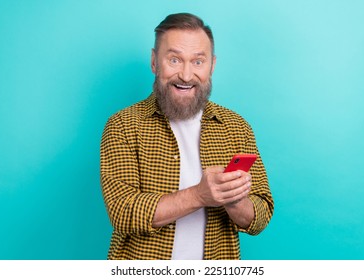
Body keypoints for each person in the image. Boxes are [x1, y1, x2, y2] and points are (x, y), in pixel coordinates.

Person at [100, 13, 274, 260]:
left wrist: (234, 201)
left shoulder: (236, 127)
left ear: (212, 66)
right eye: (174, 60)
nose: (186, 75)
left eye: (198, 62)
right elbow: (123, 211)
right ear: (154, 62)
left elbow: (261, 215)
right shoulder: (123, 125)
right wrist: (200, 195)